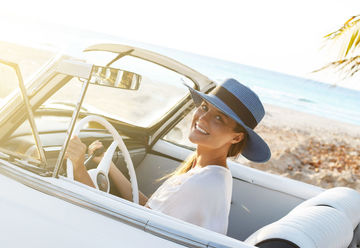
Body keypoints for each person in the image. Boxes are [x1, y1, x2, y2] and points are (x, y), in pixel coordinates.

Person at [65, 78, 270, 234]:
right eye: (204, 107)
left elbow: (121, 228)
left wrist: (78, 168)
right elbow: (147, 210)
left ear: (236, 138)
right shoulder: (214, 174)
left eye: (219, 118)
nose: (203, 118)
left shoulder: (201, 183)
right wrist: (107, 165)